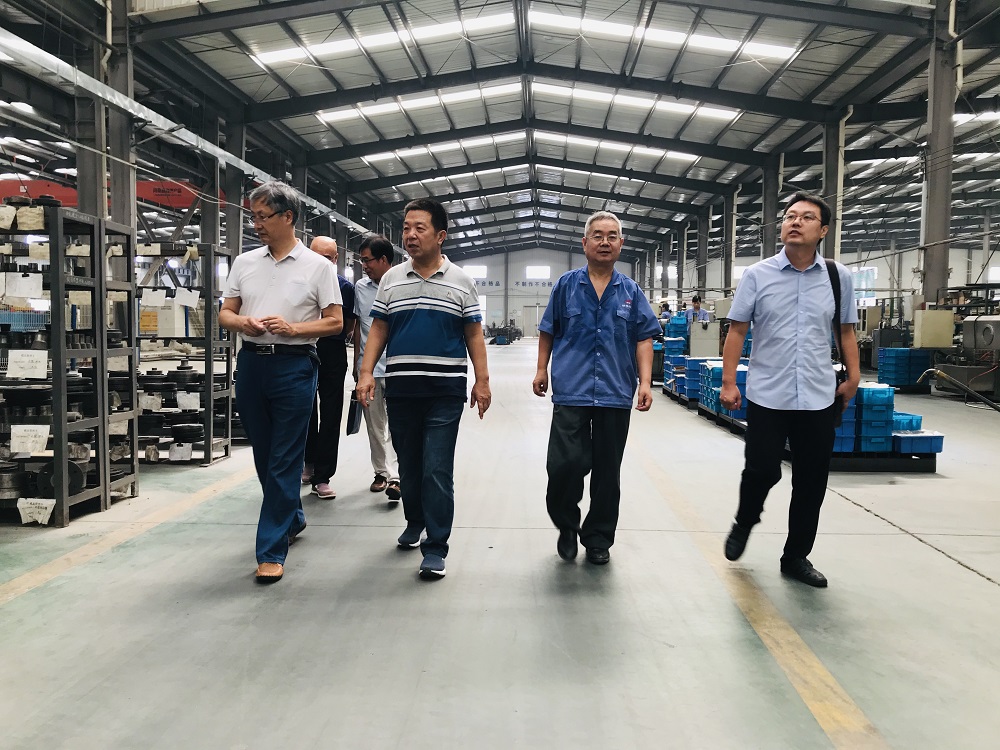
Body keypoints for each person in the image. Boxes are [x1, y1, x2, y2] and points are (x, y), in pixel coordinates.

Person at [721, 191, 860, 588]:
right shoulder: (757, 274)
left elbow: (846, 331)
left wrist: (854, 376)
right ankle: (745, 520)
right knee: (762, 469)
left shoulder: (837, 277)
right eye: (790, 216)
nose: (795, 222)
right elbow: (737, 330)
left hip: (818, 394)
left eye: (806, 217)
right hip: (769, 392)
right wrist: (729, 382)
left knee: (811, 481)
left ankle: (796, 556)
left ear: (823, 230)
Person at [356, 198, 491, 580]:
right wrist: (366, 373)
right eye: (406, 228)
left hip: (445, 391)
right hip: (401, 389)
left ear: (440, 235)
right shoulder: (391, 279)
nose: (410, 235)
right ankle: (415, 521)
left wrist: (482, 381)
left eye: (420, 228)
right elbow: (379, 328)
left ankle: (436, 546)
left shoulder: (461, 281)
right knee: (410, 466)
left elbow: (474, 334)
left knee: (436, 468)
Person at [220, 181, 343, 584]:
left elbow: (335, 322)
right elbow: (225, 312)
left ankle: (271, 549)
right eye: (252, 216)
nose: (256, 224)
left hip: (295, 365)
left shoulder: (318, 267)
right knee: (264, 453)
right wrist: (242, 322)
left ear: (288, 217)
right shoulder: (245, 263)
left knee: (285, 458)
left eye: (262, 216)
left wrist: (293, 329)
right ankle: (292, 515)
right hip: (251, 365)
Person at [532, 211, 661, 566]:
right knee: (564, 464)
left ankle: (598, 538)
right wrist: (541, 368)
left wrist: (645, 382)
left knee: (607, 471)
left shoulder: (631, 291)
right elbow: (548, 329)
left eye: (612, 236)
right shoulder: (566, 285)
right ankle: (566, 524)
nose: (605, 241)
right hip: (571, 388)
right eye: (598, 235)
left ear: (621, 243)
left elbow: (644, 338)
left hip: (615, 391)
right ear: (585, 243)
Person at [301, 235, 356, 499]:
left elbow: (349, 324)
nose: (321, 262)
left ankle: (323, 477)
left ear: (335, 259)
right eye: (315, 256)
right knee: (306, 410)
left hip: (332, 351)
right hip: (304, 349)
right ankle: (309, 463)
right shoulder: (300, 283)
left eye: (326, 258)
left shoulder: (345, 287)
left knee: (331, 413)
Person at [352, 235, 401, 504]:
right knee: (374, 425)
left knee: (398, 424)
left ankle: (396, 476)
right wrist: (359, 366)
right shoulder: (360, 288)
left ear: (383, 259)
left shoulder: (401, 282)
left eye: (367, 260)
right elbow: (359, 327)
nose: (364, 265)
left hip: (396, 367)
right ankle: (381, 472)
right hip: (369, 369)